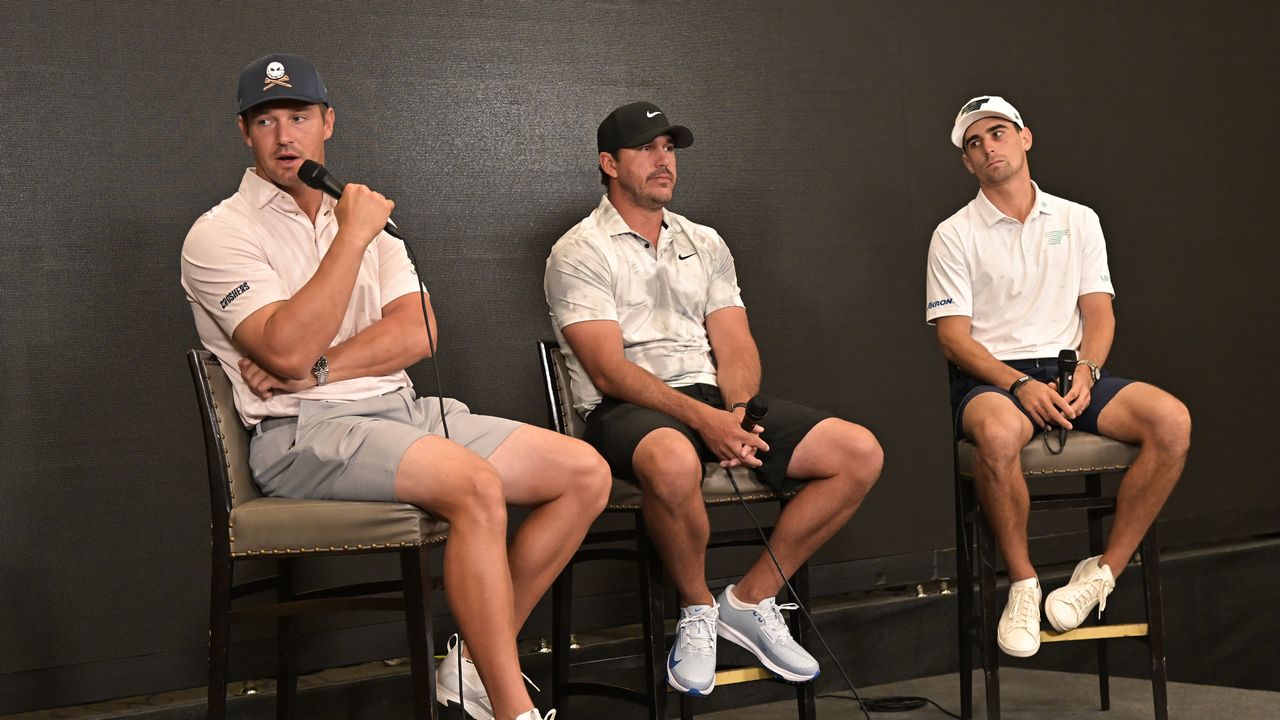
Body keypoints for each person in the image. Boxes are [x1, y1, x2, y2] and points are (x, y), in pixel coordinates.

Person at [180, 53, 609, 720]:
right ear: (245, 133)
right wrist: (350, 238)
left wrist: (320, 366)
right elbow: (283, 346)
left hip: (402, 411)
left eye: (299, 116)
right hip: (301, 434)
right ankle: (510, 710)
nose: (285, 136)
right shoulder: (220, 233)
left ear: (328, 121)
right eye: (266, 121)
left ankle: (469, 663)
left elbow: (418, 333)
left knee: (583, 472)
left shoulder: (362, 216)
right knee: (474, 484)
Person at [543, 102, 883, 696]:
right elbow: (609, 370)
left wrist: (738, 414)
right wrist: (705, 422)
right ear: (608, 163)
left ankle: (749, 600)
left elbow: (735, 344)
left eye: (669, 148)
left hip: (711, 402)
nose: (662, 160)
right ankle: (696, 609)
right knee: (673, 460)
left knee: (858, 453)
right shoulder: (578, 250)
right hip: (624, 410)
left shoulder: (704, 241)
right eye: (647, 148)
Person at [926, 95, 1191, 658]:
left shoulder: (1078, 219)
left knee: (1171, 421)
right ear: (968, 164)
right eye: (974, 144)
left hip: (1073, 371)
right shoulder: (953, 233)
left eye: (997, 133)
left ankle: (1103, 572)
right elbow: (953, 338)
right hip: (993, 380)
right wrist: (1018, 385)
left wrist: (1088, 372)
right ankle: (1023, 583)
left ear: (1025, 138)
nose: (988, 146)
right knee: (997, 434)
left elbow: (1099, 313)